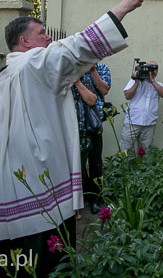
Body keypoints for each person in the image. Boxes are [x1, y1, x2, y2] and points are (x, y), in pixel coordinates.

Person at [0, 0, 144, 277]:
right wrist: (123, 8)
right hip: (34, 180)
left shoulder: (8, 72)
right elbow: (75, 48)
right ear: (24, 40)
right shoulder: (31, 65)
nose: (48, 38)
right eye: (42, 33)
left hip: (11, 180)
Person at [70, 62, 110, 215]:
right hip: (76, 124)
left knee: (96, 162)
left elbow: (104, 90)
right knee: (78, 164)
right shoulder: (73, 68)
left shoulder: (101, 68)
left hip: (94, 122)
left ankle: (95, 199)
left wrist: (93, 71)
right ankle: (81, 198)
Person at [120, 61, 163, 153]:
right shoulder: (134, 81)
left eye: (155, 69)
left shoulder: (158, 84)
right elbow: (128, 96)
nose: (152, 71)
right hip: (133, 121)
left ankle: (144, 167)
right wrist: (136, 82)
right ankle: (124, 166)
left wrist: (152, 81)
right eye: (150, 68)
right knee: (126, 149)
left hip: (149, 123)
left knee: (146, 151)